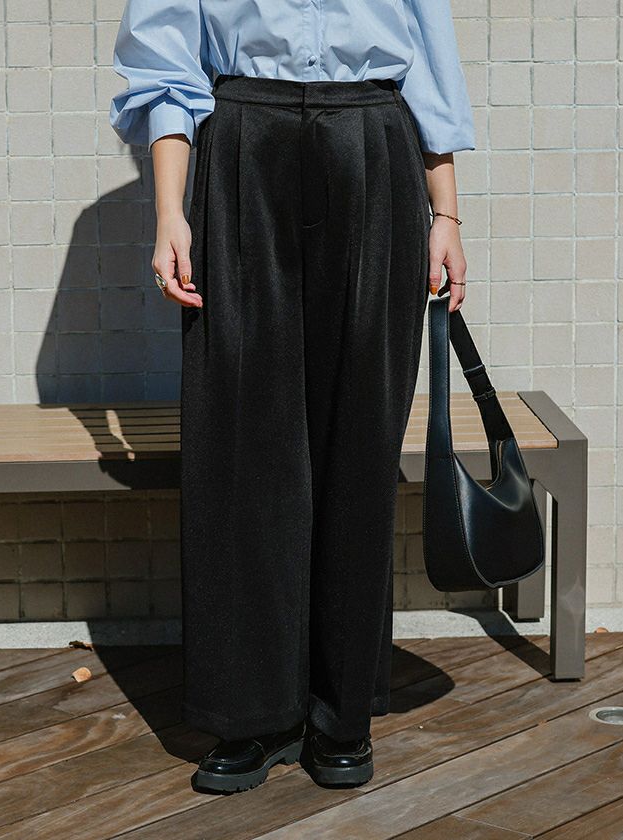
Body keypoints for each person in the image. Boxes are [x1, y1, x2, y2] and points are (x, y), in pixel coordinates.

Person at [110, 0, 474, 794]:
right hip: (244, 139)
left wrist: (445, 210)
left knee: (362, 433)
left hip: (374, 140)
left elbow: (428, 59)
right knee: (241, 434)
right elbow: (165, 65)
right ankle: (253, 712)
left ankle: (342, 712)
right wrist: (170, 211)